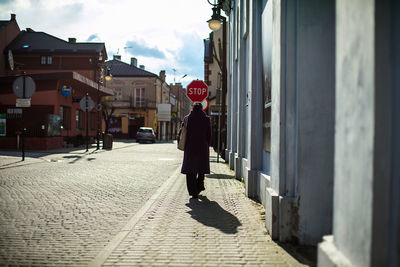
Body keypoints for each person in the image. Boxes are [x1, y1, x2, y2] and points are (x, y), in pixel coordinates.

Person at [178, 102, 211, 198]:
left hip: (190, 146)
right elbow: (209, 135)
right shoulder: (206, 119)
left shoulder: (187, 118)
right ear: (202, 109)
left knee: (190, 170)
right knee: (201, 168)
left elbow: (182, 132)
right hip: (202, 147)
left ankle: (193, 191)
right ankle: (200, 186)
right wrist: (207, 145)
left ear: (192, 108)